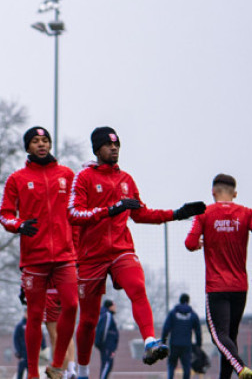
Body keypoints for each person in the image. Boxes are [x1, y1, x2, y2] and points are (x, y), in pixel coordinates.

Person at [68, 126, 205, 372]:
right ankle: (82, 371)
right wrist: (109, 210)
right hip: (91, 256)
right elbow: (74, 214)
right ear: (97, 149)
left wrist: (177, 214)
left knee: (138, 287)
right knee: (88, 321)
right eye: (109, 145)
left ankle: (150, 341)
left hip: (121, 250)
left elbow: (141, 214)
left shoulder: (126, 180)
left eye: (117, 145)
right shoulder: (84, 178)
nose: (114, 149)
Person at [0, 126, 79, 379]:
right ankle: (33, 373)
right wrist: (19, 224)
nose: (41, 144)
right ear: (28, 147)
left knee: (72, 305)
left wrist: (76, 250)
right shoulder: (17, 179)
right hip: (34, 259)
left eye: (45, 140)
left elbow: (76, 216)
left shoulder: (68, 175)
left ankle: (57, 364)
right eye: (35, 141)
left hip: (65, 257)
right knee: (34, 316)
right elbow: (4, 215)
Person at [184, 173, 252, 379]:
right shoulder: (246, 213)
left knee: (218, 337)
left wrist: (198, 244)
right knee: (230, 338)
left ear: (213, 191)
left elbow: (189, 243)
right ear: (235, 194)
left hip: (216, 287)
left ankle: (240, 367)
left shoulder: (204, 213)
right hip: (240, 287)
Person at [163, 294, 202, 379]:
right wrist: (198, 345)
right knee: (186, 367)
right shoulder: (193, 315)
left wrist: (163, 341)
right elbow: (198, 331)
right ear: (188, 302)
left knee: (171, 365)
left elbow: (166, 328)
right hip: (186, 345)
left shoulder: (172, 313)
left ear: (180, 301)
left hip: (174, 344)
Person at [94, 300, 119, 379]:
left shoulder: (105, 315)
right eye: (114, 306)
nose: (115, 308)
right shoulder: (107, 315)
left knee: (107, 364)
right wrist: (104, 343)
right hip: (107, 345)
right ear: (110, 306)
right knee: (107, 364)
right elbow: (104, 329)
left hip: (108, 346)